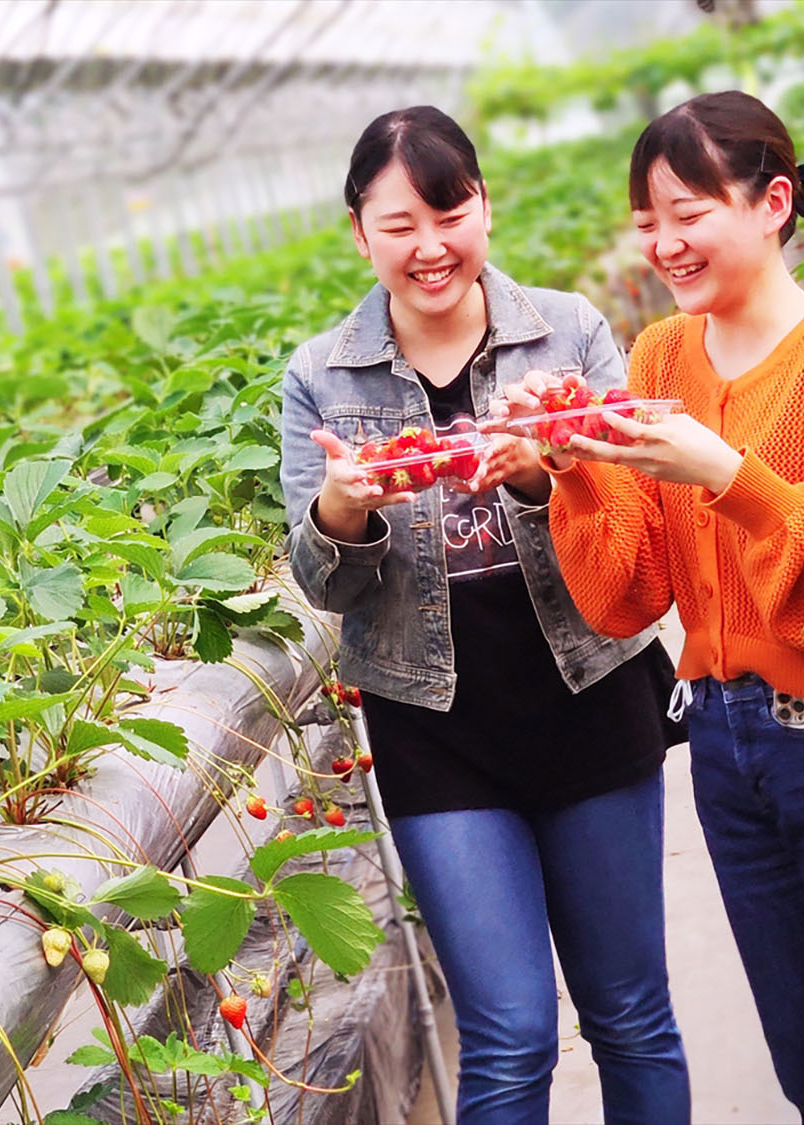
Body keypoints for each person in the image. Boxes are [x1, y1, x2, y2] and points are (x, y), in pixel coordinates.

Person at [494, 90, 804, 1124]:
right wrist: (561, 479)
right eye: (645, 222)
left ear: (771, 202)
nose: (663, 244)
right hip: (725, 751)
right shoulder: (659, 360)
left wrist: (725, 472)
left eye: (687, 212)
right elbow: (623, 596)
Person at [278, 105, 689, 1125]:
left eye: (447, 211)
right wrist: (342, 511)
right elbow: (322, 584)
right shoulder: (320, 378)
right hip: (436, 731)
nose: (429, 247)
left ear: (482, 206)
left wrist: (541, 483)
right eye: (397, 223)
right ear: (356, 231)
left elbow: (632, 524)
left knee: (630, 1013)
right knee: (507, 1033)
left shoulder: (570, 332)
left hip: (588, 693)